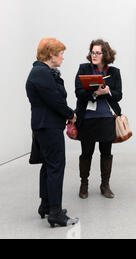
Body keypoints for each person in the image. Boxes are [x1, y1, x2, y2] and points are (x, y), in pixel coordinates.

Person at [26, 38, 79, 228]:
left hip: (45, 125)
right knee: (56, 166)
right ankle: (55, 213)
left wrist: (66, 112)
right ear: (51, 54)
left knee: (49, 166)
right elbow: (55, 100)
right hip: (48, 126)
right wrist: (71, 114)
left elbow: (54, 99)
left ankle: (46, 205)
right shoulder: (41, 73)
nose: (63, 57)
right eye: (61, 53)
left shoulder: (43, 72)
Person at [75, 39, 122, 199]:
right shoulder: (84, 69)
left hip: (106, 118)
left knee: (106, 153)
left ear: (105, 54)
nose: (94, 55)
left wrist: (108, 91)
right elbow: (79, 93)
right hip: (87, 118)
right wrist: (95, 93)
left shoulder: (114, 72)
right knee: (86, 153)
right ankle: (84, 185)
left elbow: (119, 95)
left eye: (97, 52)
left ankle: (105, 185)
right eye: (92, 52)